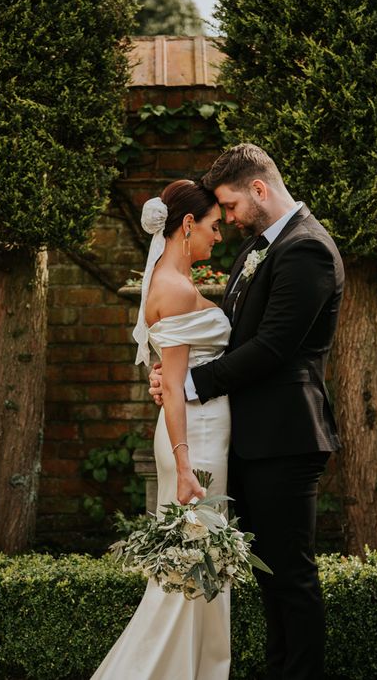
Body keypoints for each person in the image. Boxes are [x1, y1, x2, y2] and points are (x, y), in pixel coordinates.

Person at [150, 143, 344, 680]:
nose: (228, 219)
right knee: (268, 576)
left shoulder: (308, 250)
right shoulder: (259, 247)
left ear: (259, 189)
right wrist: (169, 369)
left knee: (292, 577)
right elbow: (232, 336)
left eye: (231, 206)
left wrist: (188, 383)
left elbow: (274, 347)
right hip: (253, 440)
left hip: (287, 437)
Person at [92, 179, 232, 680]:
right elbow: (172, 386)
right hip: (192, 442)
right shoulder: (173, 289)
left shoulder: (170, 280)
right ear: (188, 224)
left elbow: (170, 375)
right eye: (214, 227)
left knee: (201, 569)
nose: (219, 236)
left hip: (197, 433)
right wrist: (185, 466)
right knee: (187, 573)